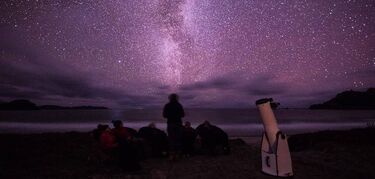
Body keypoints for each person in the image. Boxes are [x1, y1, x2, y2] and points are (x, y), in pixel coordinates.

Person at [163, 93, 185, 160]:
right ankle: (178, 154)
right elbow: (183, 115)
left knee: (171, 139)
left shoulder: (167, 105)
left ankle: (172, 155)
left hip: (170, 123)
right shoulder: (179, 105)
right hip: (178, 123)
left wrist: (170, 115)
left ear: (170, 98)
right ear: (176, 98)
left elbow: (164, 115)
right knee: (178, 139)